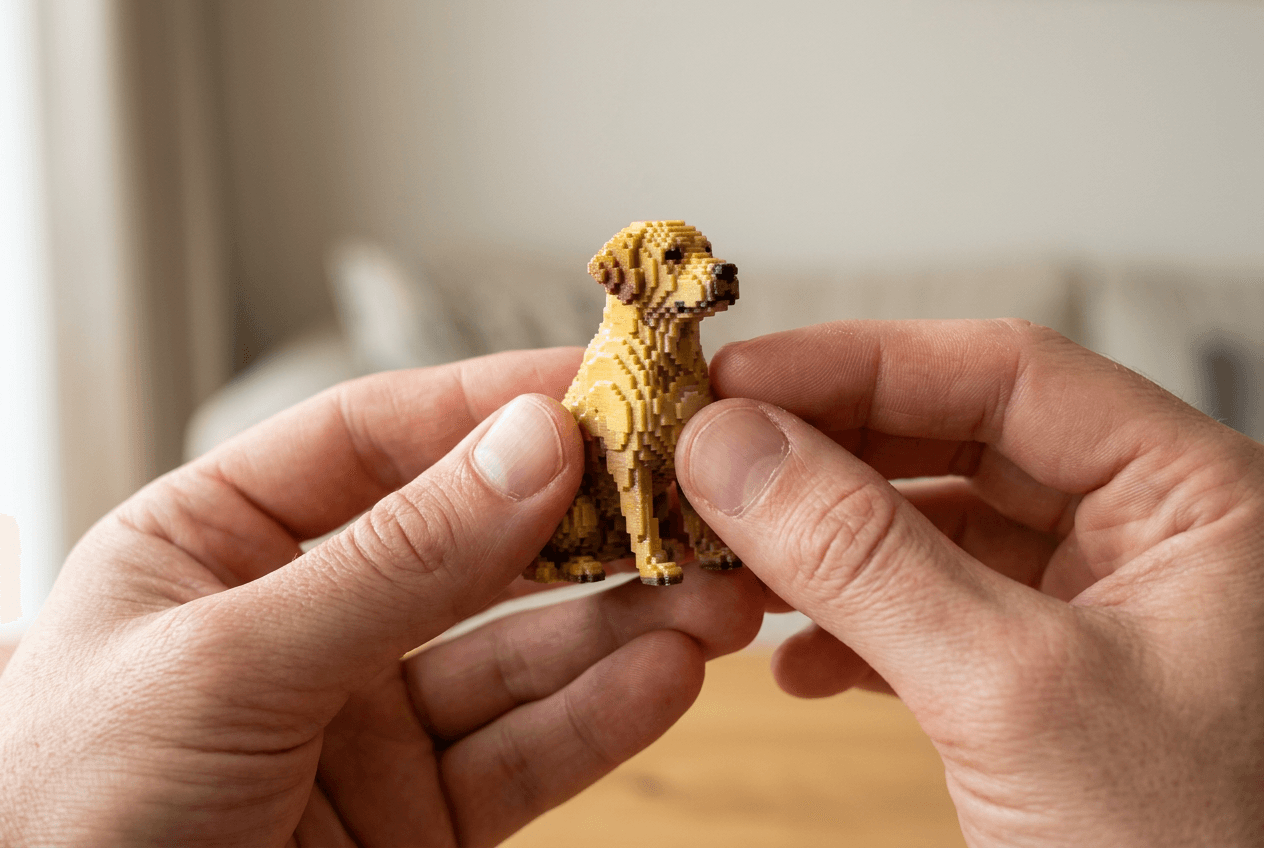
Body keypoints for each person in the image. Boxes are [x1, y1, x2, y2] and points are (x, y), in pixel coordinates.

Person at [0, 320, 1260, 846]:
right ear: (633, 285)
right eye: (680, 276)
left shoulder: (695, 370)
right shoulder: (621, 373)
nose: (704, 297)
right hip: (618, 531)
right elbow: (631, 471)